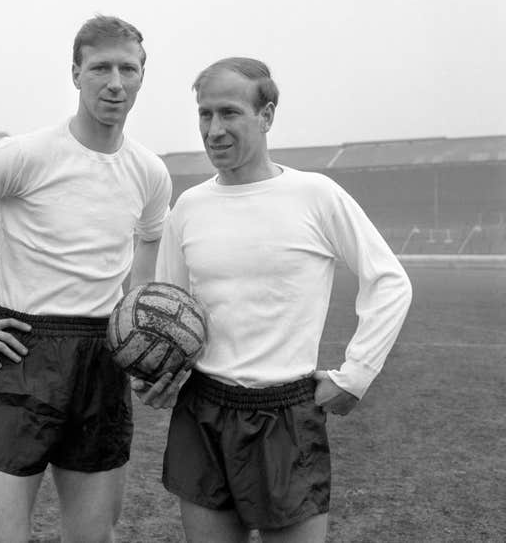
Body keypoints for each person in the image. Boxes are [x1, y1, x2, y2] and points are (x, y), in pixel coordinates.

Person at [0, 15, 172, 543]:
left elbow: (150, 237)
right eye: (100, 67)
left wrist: (137, 321)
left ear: (141, 76)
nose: (115, 81)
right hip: (22, 356)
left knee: (93, 538)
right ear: (75, 73)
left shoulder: (150, 172)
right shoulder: (26, 154)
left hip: (102, 362)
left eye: (127, 68)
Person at [133, 57, 412, 543]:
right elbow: (172, 311)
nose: (214, 130)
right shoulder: (190, 207)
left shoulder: (315, 195)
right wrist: (157, 374)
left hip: (285, 415)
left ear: (266, 116)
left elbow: (389, 280)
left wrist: (358, 374)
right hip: (203, 410)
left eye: (229, 113)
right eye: (204, 115)